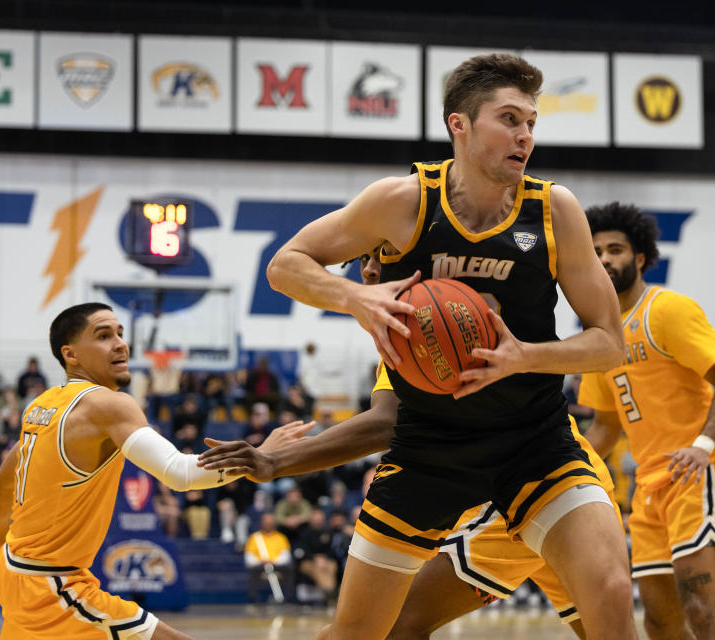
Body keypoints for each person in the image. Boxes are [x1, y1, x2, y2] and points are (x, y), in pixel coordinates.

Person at [264, 52, 635, 640]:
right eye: (509, 119)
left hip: (533, 442)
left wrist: (527, 355)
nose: (525, 136)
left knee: (612, 593)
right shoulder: (403, 202)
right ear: (458, 125)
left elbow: (609, 345)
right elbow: (286, 265)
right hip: (429, 445)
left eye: (532, 123)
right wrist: (355, 298)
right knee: (360, 633)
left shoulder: (554, 209)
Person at [199, 245, 625, 639]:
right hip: (545, 487)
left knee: (391, 627)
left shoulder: (440, 322)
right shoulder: (413, 329)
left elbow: (383, 423)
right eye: (361, 260)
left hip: (530, 486)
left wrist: (277, 462)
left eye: (380, 255)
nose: (368, 268)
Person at [0, 302, 301, 640]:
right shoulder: (108, 405)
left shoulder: (43, 404)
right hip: (53, 586)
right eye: (103, 335)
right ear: (71, 354)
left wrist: (0, 543)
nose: (120, 343)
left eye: (120, 333)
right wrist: (261, 455)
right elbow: (180, 473)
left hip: (13, 568)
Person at [578, 202, 715, 640]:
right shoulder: (598, 336)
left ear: (640, 258)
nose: (604, 259)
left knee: (701, 609)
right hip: (649, 487)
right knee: (659, 621)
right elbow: (604, 428)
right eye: (595, 251)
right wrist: (558, 468)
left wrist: (702, 446)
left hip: (698, 472)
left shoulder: (667, 309)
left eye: (615, 249)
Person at [244, 512, 293, 604]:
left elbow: (286, 557)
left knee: (289, 570)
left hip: (277, 565)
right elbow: (249, 557)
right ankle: (253, 600)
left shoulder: (281, 538)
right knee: (253, 572)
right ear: (262, 523)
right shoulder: (255, 537)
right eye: (266, 522)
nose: (268, 524)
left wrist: (273, 561)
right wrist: (260, 561)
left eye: (270, 522)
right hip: (260, 565)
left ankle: (288, 599)